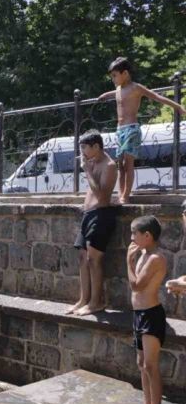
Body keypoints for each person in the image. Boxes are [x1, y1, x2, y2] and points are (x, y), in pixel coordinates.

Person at [97, 57, 186, 204]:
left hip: (131, 129)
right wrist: (105, 95)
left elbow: (156, 97)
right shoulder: (118, 89)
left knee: (128, 163)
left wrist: (178, 107)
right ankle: (120, 194)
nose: (113, 79)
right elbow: (115, 94)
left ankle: (125, 195)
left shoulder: (135, 88)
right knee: (120, 164)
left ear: (125, 73)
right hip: (120, 130)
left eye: (114, 75)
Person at [66, 130, 118, 316]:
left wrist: (87, 171)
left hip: (101, 214)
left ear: (96, 146)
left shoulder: (109, 165)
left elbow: (103, 197)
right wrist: (88, 168)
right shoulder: (93, 162)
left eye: (84, 148)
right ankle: (83, 299)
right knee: (82, 257)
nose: (82, 152)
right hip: (88, 214)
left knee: (93, 260)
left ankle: (96, 302)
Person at [121, 216, 167, 404]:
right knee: (141, 364)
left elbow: (137, 285)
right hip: (138, 315)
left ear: (147, 236)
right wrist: (133, 259)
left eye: (134, 234)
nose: (131, 238)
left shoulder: (156, 258)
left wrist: (128, 262)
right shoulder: (143, 254)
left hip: (151, 315)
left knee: (150, 365)